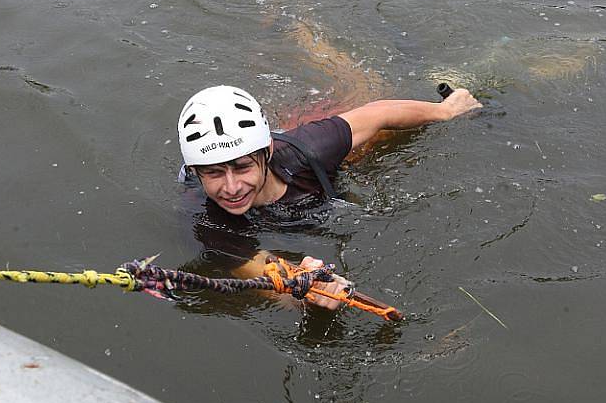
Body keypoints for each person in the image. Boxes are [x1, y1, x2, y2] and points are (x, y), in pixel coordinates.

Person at [177, 84, 481, 308]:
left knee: (366, 103)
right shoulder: (206, 217)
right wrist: (310, 292)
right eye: (214, 173)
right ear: (195, 171)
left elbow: (379, 114)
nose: (231, 188)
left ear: (266, 151)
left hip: (316, 154)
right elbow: (261, 271)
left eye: (243, 168)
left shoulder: (308, 147)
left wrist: (446, 111)